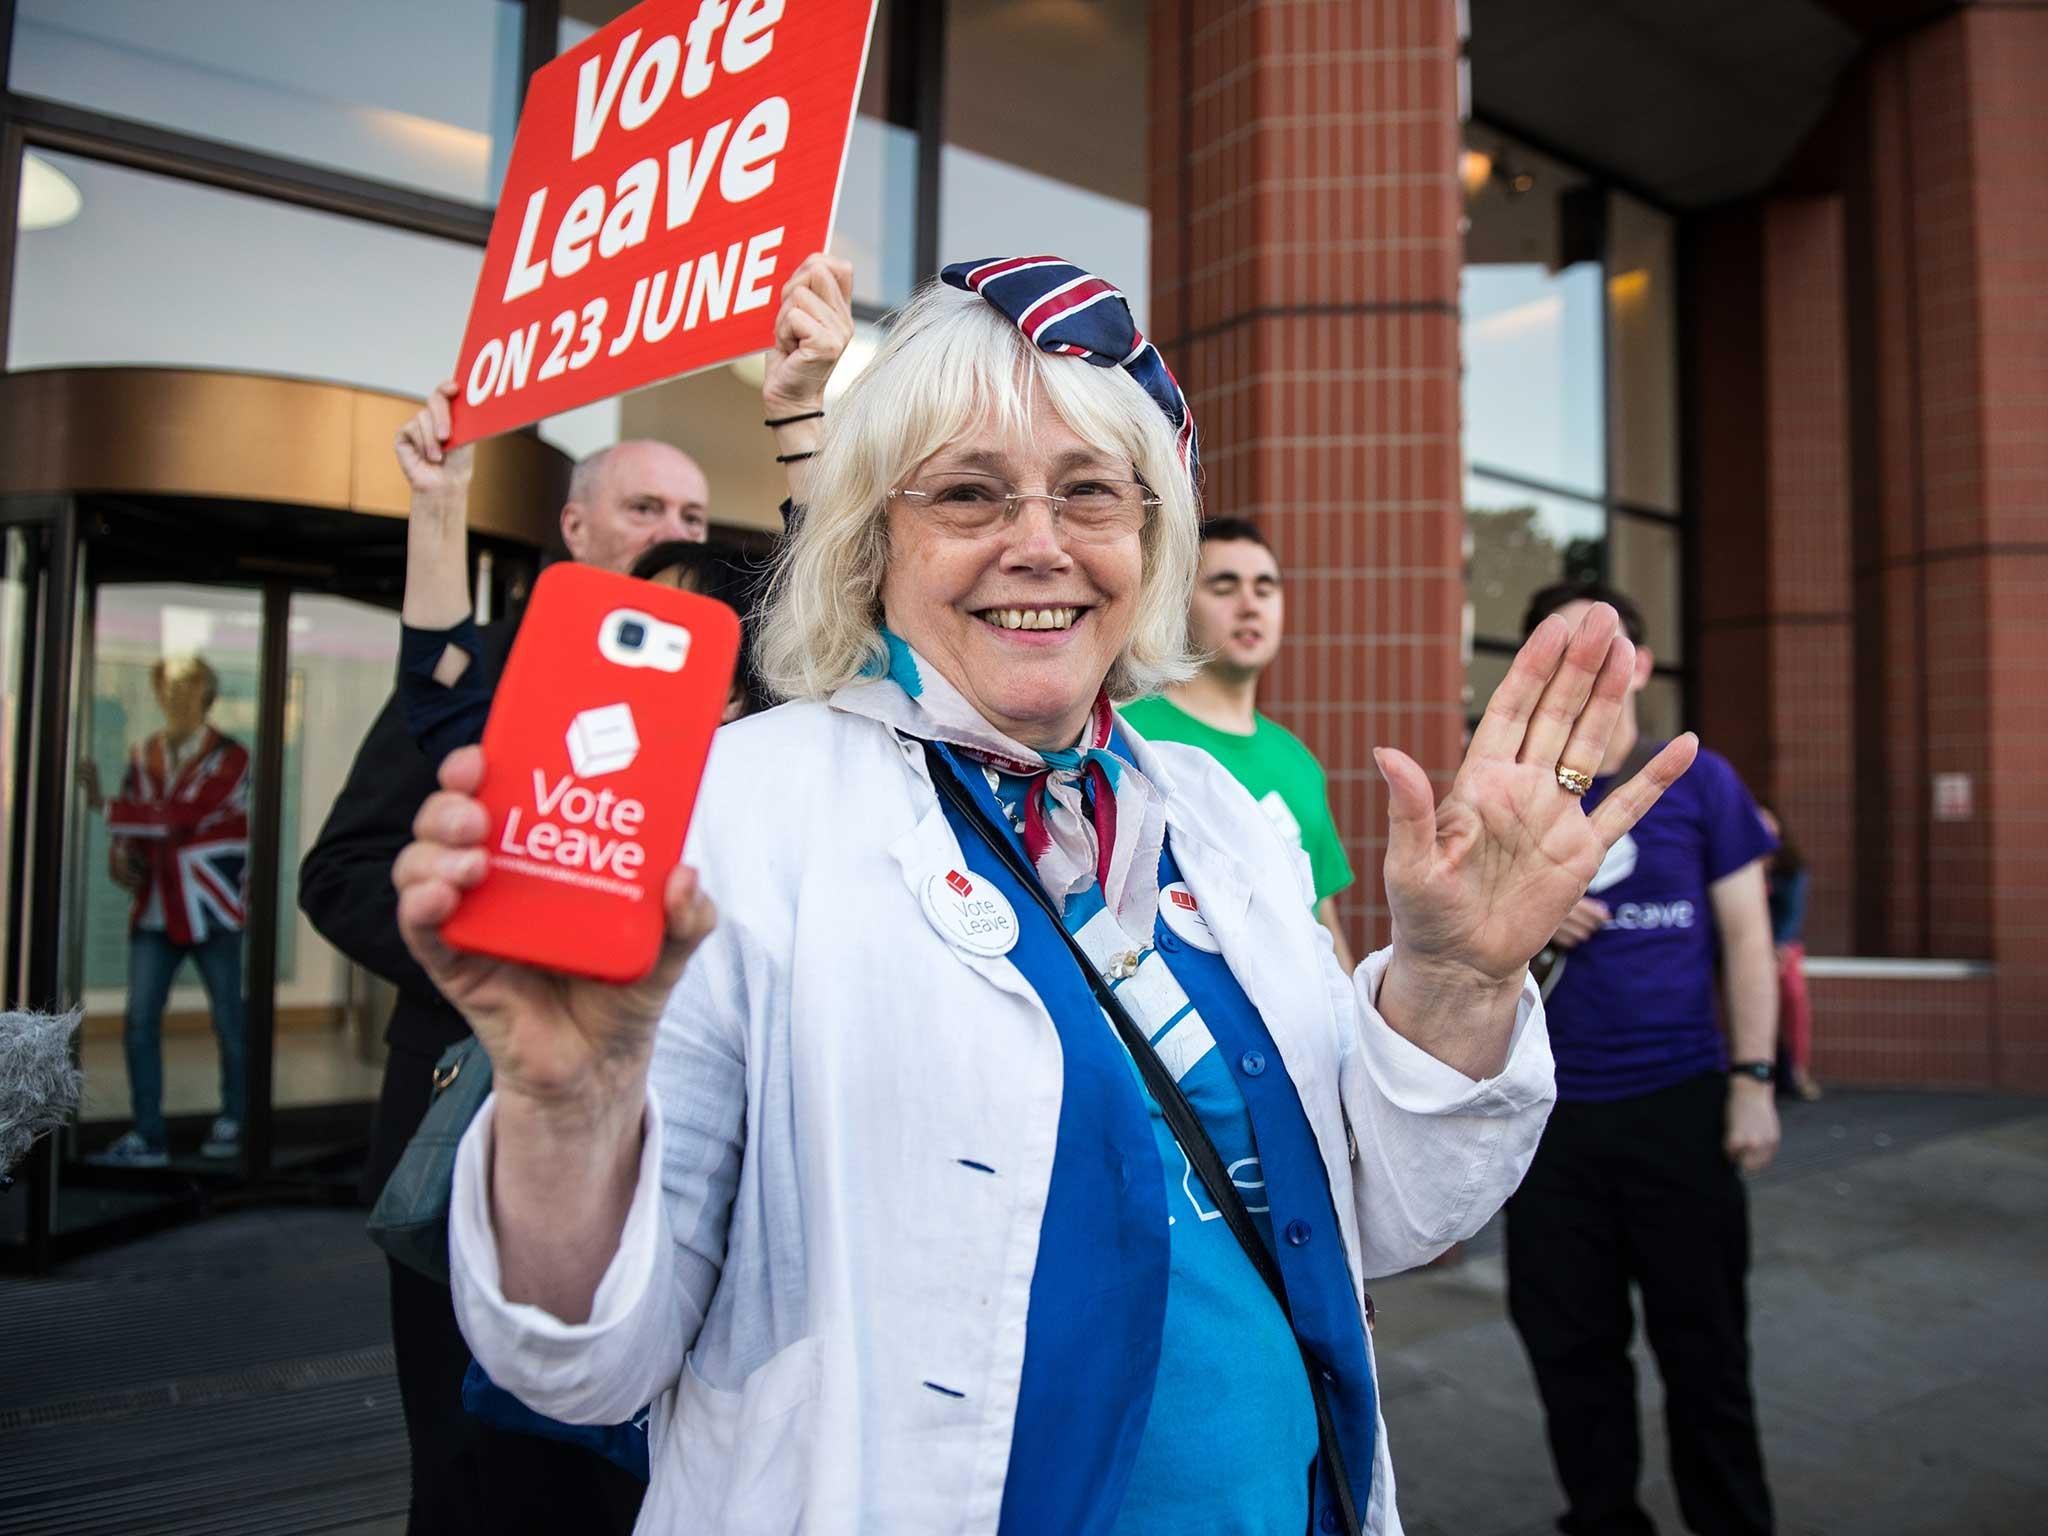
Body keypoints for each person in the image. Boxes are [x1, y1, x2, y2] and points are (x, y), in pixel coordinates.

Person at [394, 256, 1695, 1534]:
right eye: (967, 493)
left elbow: (1386, 1215)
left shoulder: (1222, 819)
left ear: (1148, 541)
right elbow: (579, 1366)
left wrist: (1458, 984)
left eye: (1089, 495)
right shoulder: (734, 811)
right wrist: (566, 1113)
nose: (1038, 545)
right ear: (868, 545)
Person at [300, 253, 854, 1535]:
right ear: (580, 530)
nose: (673, 527)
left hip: (699, 1158)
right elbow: (341, 873)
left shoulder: (762, 715)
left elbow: (837, 598)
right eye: (647, 505)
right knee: (481, 1477)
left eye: (690, 511)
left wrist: (804, 412)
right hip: (481, 1125)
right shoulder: (490, 679)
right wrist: (501, 954)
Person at [1506, 580, 1781, 1536]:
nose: (1587, 669)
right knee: (1572, 1353)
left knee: (1707, 1353)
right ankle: (1604, 1518)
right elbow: (1469, 967)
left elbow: (1748, 939)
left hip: (1680, 1104)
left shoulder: (1700, 781)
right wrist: (1533, 926)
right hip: (1546, 1125)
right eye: (1564, 646)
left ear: (1641, 666)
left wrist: (1753, 1083)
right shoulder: (1510, 794)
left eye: (1607, 649)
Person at [1121, 516, 1358, 970]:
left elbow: (1321, 923)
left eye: (1265, 588)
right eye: (1225, 587)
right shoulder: (1126, 734)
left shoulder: (1298, 761)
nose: (1250, 605)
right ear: (1181, 602)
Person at [82, 656, 249, 1167]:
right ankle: (148, 1134)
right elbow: (136, 833)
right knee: (139, 1023)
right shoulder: (144, 751)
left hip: (210, 910)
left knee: (229, 1019)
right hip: (156, 910)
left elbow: (184, 817)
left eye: (188, 687)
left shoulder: (230, 756)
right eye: (169, 688)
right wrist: (120, 858)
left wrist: (101, 804)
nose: (177, 697)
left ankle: (238, 1120)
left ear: (207, 694)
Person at [1756, 805, 1818, 1101]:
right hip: (1744, 947)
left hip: (1783, 947)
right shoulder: (1736, 865)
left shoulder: (1791, 869)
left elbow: (1792, 916)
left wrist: (1777, 947)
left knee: (1793, 994)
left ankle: (1798, 1069)